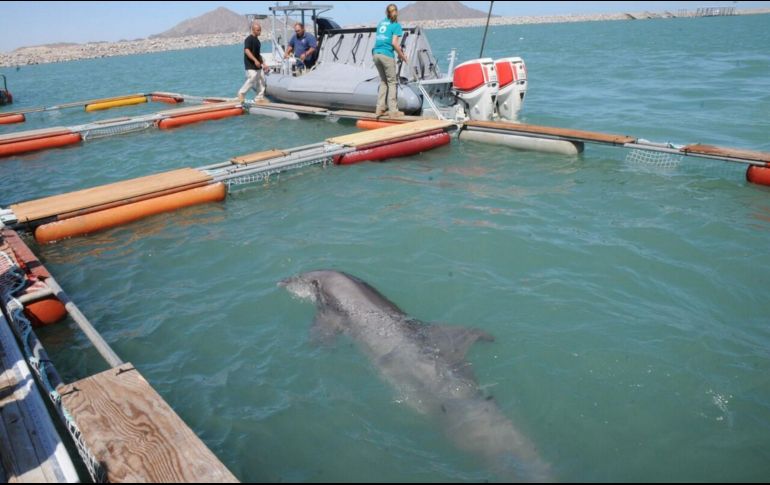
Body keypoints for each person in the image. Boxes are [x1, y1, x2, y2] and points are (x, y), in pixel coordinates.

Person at [372, 4, 408, 118]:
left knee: (383, 82)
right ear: (396, 12)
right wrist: (402, 56)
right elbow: (394, 43)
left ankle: (380, 108)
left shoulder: (381, 23)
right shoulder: (396, 25)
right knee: (392, 82)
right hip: (387, 55)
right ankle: (393, 111)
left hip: (376, 54)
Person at [237, 21, 266, 103]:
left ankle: (259, 97)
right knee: (252, 77)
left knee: (262, 79)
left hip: (258, 64)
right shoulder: (248, 39)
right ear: (253, 30)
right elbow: (247, 51)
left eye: (260, 30)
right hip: (250, 64)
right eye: (258, 30)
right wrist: (255, 60)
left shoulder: (258, 41)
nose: (260, 32)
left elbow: (258, 54)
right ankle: (241, 93)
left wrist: (263, 64)